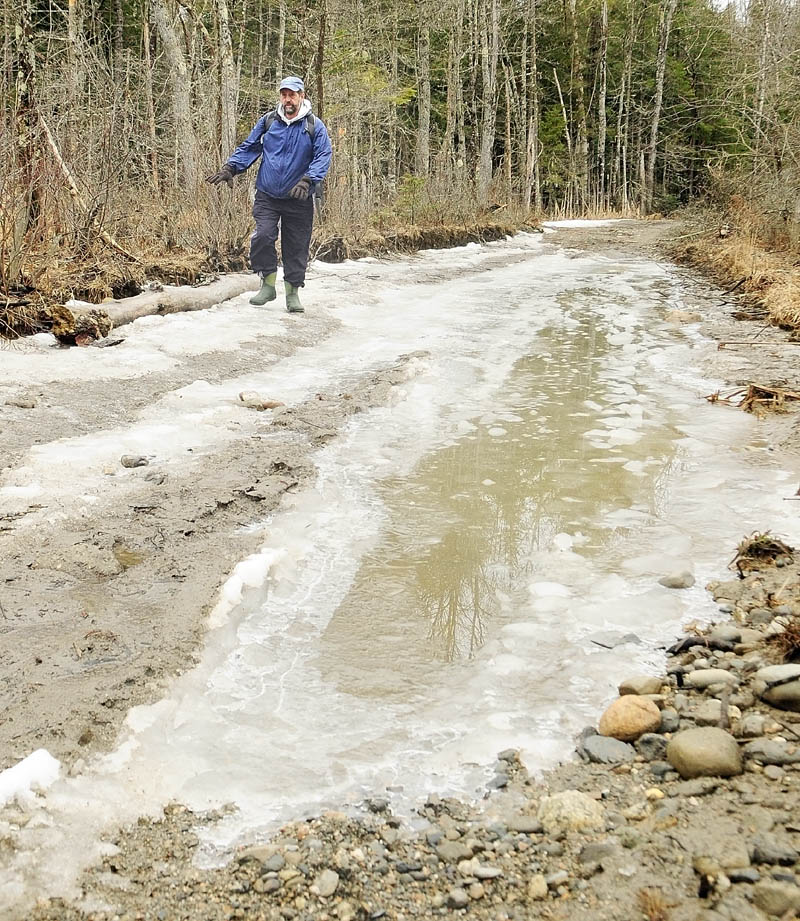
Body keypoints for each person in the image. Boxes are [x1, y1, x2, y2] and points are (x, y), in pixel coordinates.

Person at [207, 76, 332, 314]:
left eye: (292, 95)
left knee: (296, 245)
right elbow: (250, 146)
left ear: (301, 96)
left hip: (299, 196)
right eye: (284, 94)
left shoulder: (314, 126)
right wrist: (231, 168)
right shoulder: (269, 121)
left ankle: (293, 292)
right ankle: (268, 284)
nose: (288, 99)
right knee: (263, 236)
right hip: (268, 193)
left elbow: (323, 155)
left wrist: (308, 180)